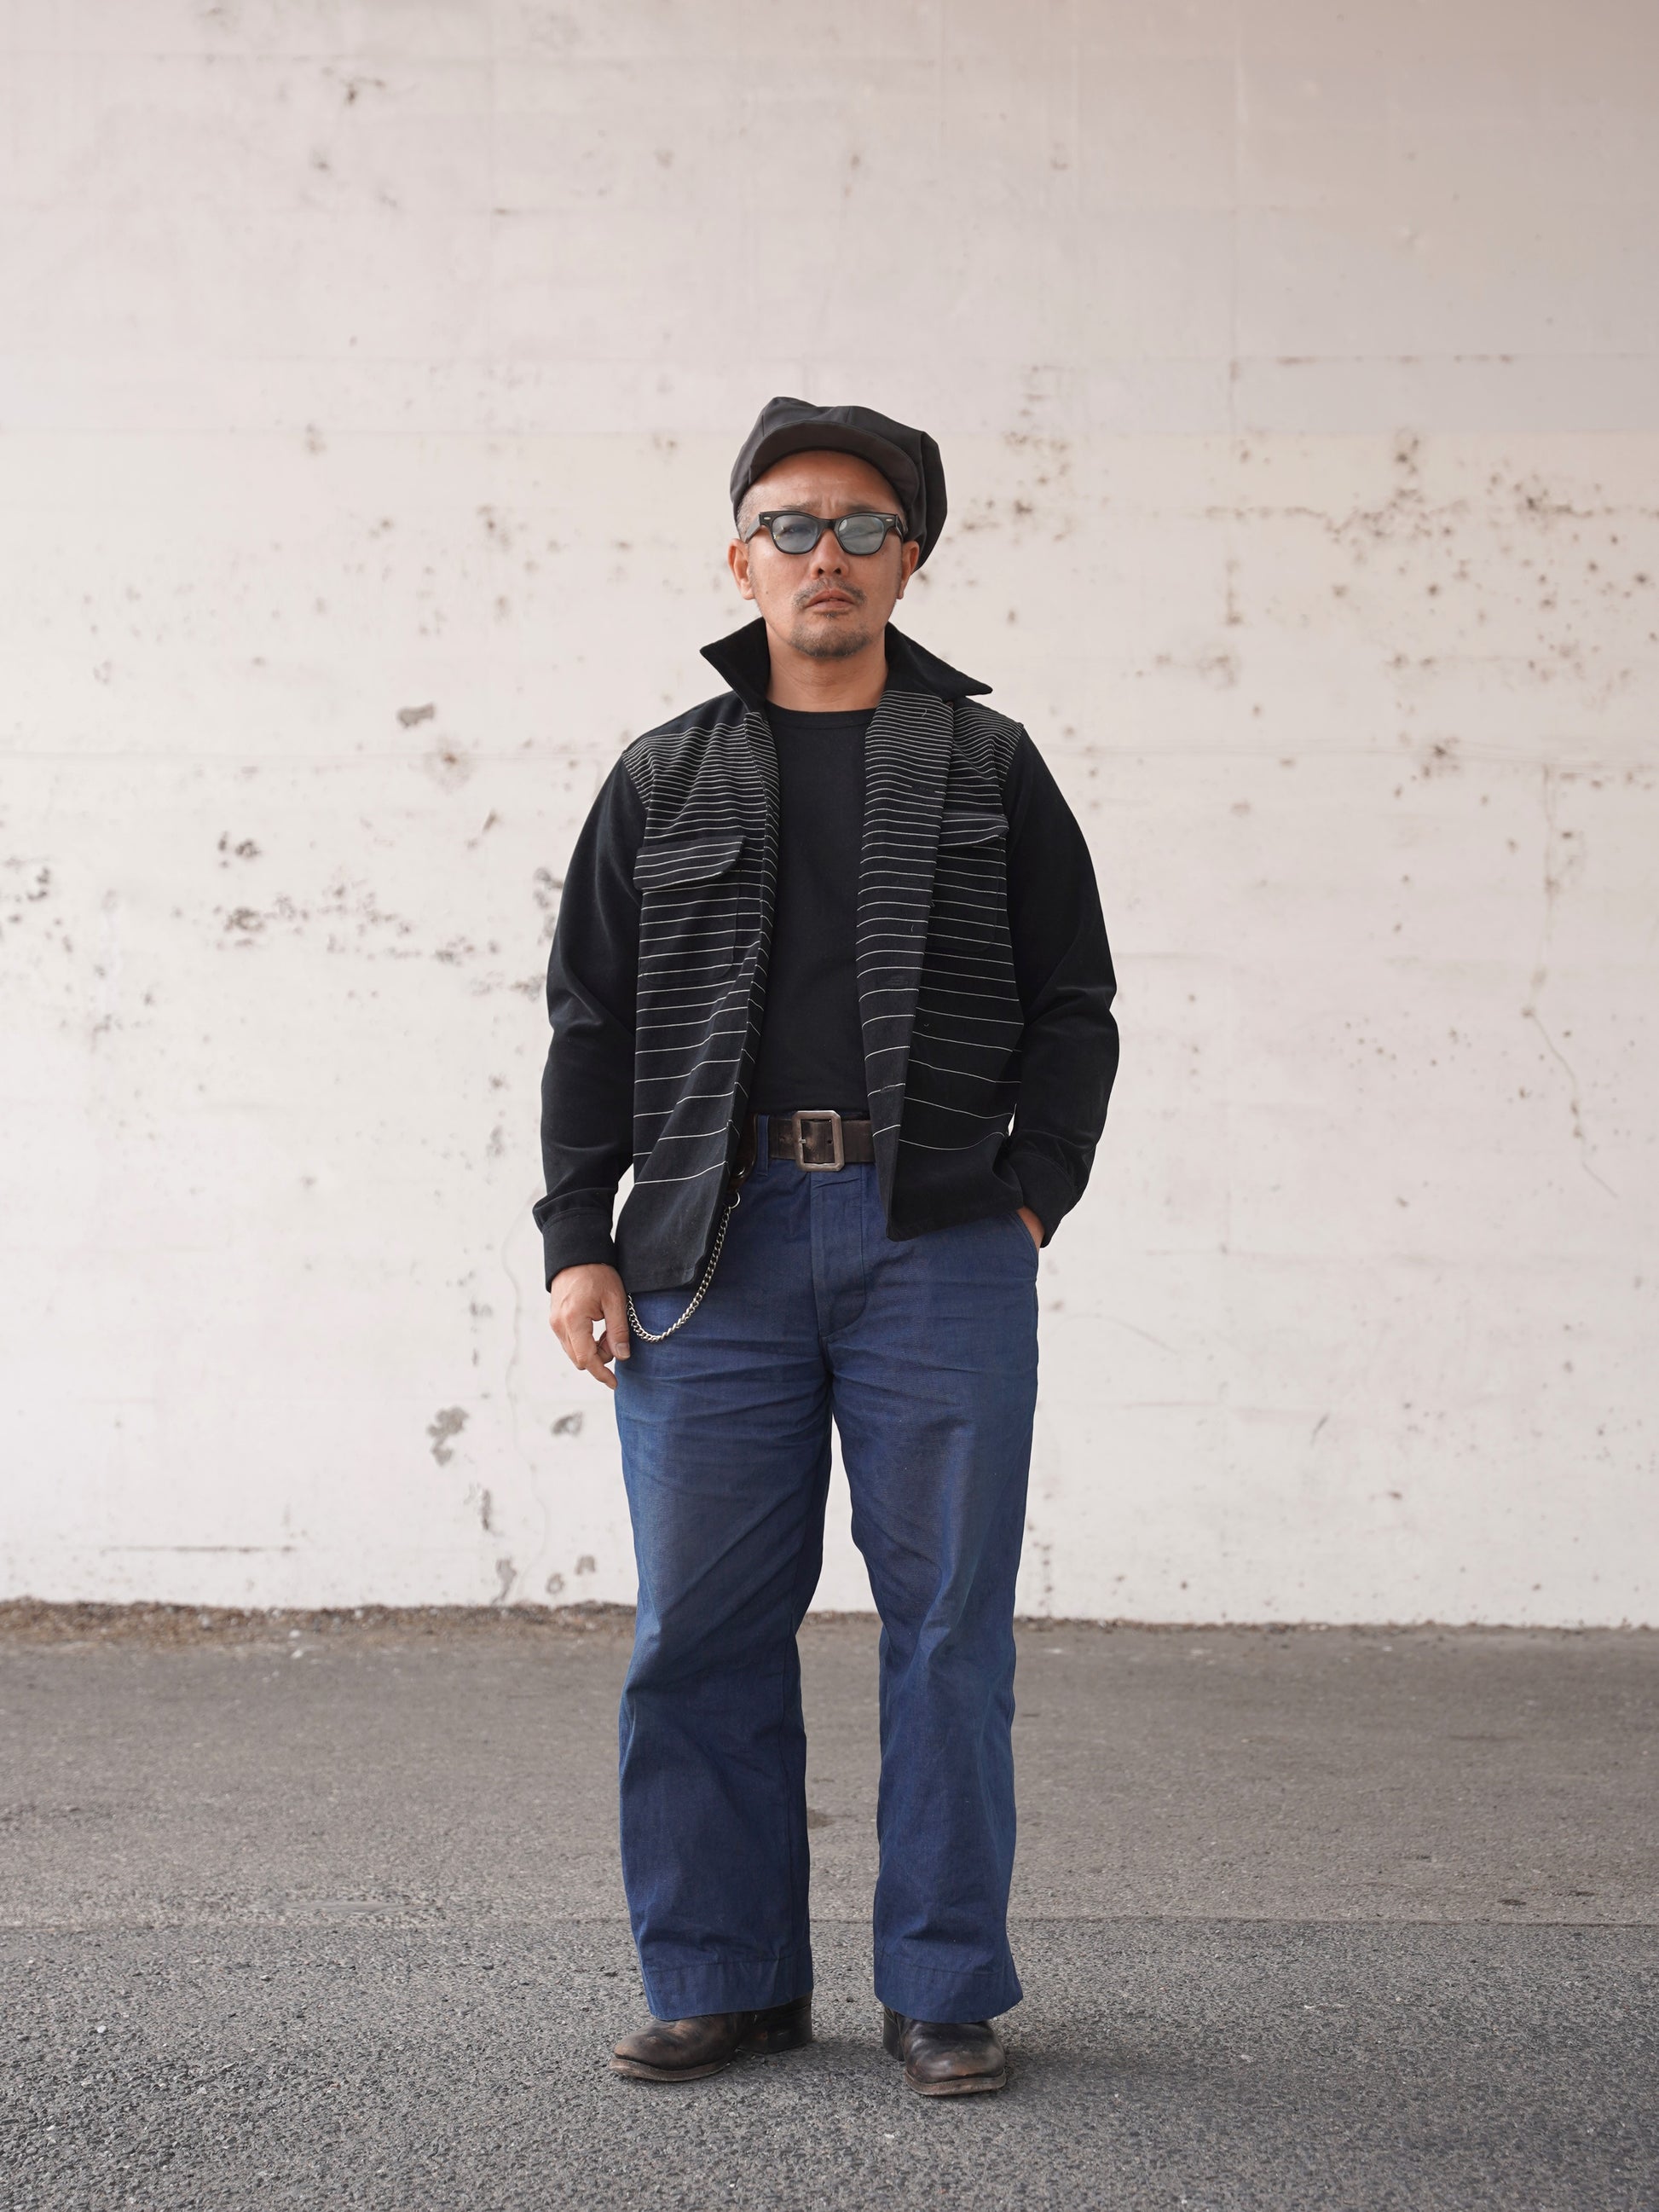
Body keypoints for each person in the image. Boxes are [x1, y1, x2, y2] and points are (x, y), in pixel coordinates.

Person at [535, 397, 1119, 2097]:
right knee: (698, 1629)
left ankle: (942, 1985)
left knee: (947, 1626)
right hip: (704, 1249)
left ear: (908, 558)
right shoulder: (662, 774)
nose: (826, 555)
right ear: (742, 559)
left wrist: (1029, 1194)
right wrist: (578, 1238)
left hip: (935, 1238)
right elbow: (589, 1020)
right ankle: (722, 1977)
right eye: (790, 525)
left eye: (863, 527)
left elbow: (1074, 1005)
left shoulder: (988, 766)